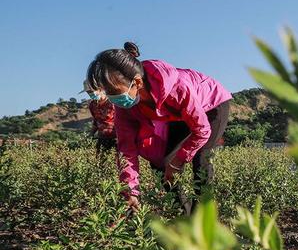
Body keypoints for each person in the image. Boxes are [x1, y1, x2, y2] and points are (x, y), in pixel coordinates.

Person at [86, 42, 232, 211]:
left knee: (201, 159)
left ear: (137, 82)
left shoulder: (177, 88)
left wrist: (178, 161)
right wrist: (131, 191)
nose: (113, 99)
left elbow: (201, 130)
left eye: (116, 92)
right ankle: (182, 212)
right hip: (177, 115)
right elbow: (126, 148)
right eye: (108, 93)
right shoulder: (125, 107)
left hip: (213, 105)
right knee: (161, 162)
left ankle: (201, 219)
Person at [80, 81, 117, 156]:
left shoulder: (112, 102)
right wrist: (91, 134)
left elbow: (122, 120)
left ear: (100, 89)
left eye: (91, 91)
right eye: (88, 92)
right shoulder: (92, 105)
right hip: (102, 138)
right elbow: (96, 121)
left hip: (116, 138)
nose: (90, 94)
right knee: (100, 162)